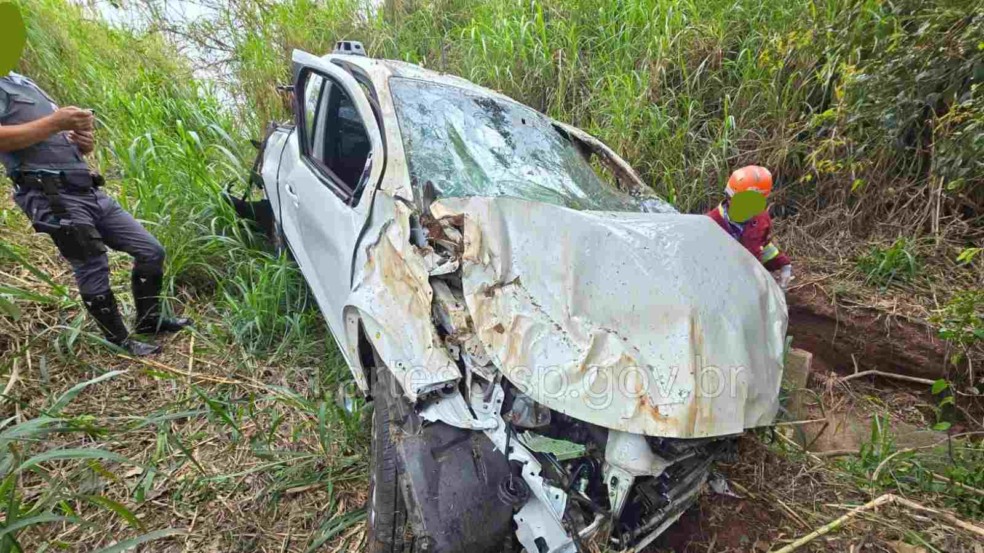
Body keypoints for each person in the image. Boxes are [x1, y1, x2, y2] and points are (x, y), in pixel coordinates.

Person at [0, 71, 190, 355]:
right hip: (51, 195)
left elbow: (48, 139)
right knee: (92, 264)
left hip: (87, 189)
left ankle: (150, 320)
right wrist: (54, 123)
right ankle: (119, 341)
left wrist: (77, 143)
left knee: (151, 250)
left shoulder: (20, 80)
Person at [707, 165, 793, 290]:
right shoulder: (710, 223)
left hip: (750, 286)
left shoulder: (761, 219)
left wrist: (783, 265)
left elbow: (763, 246)